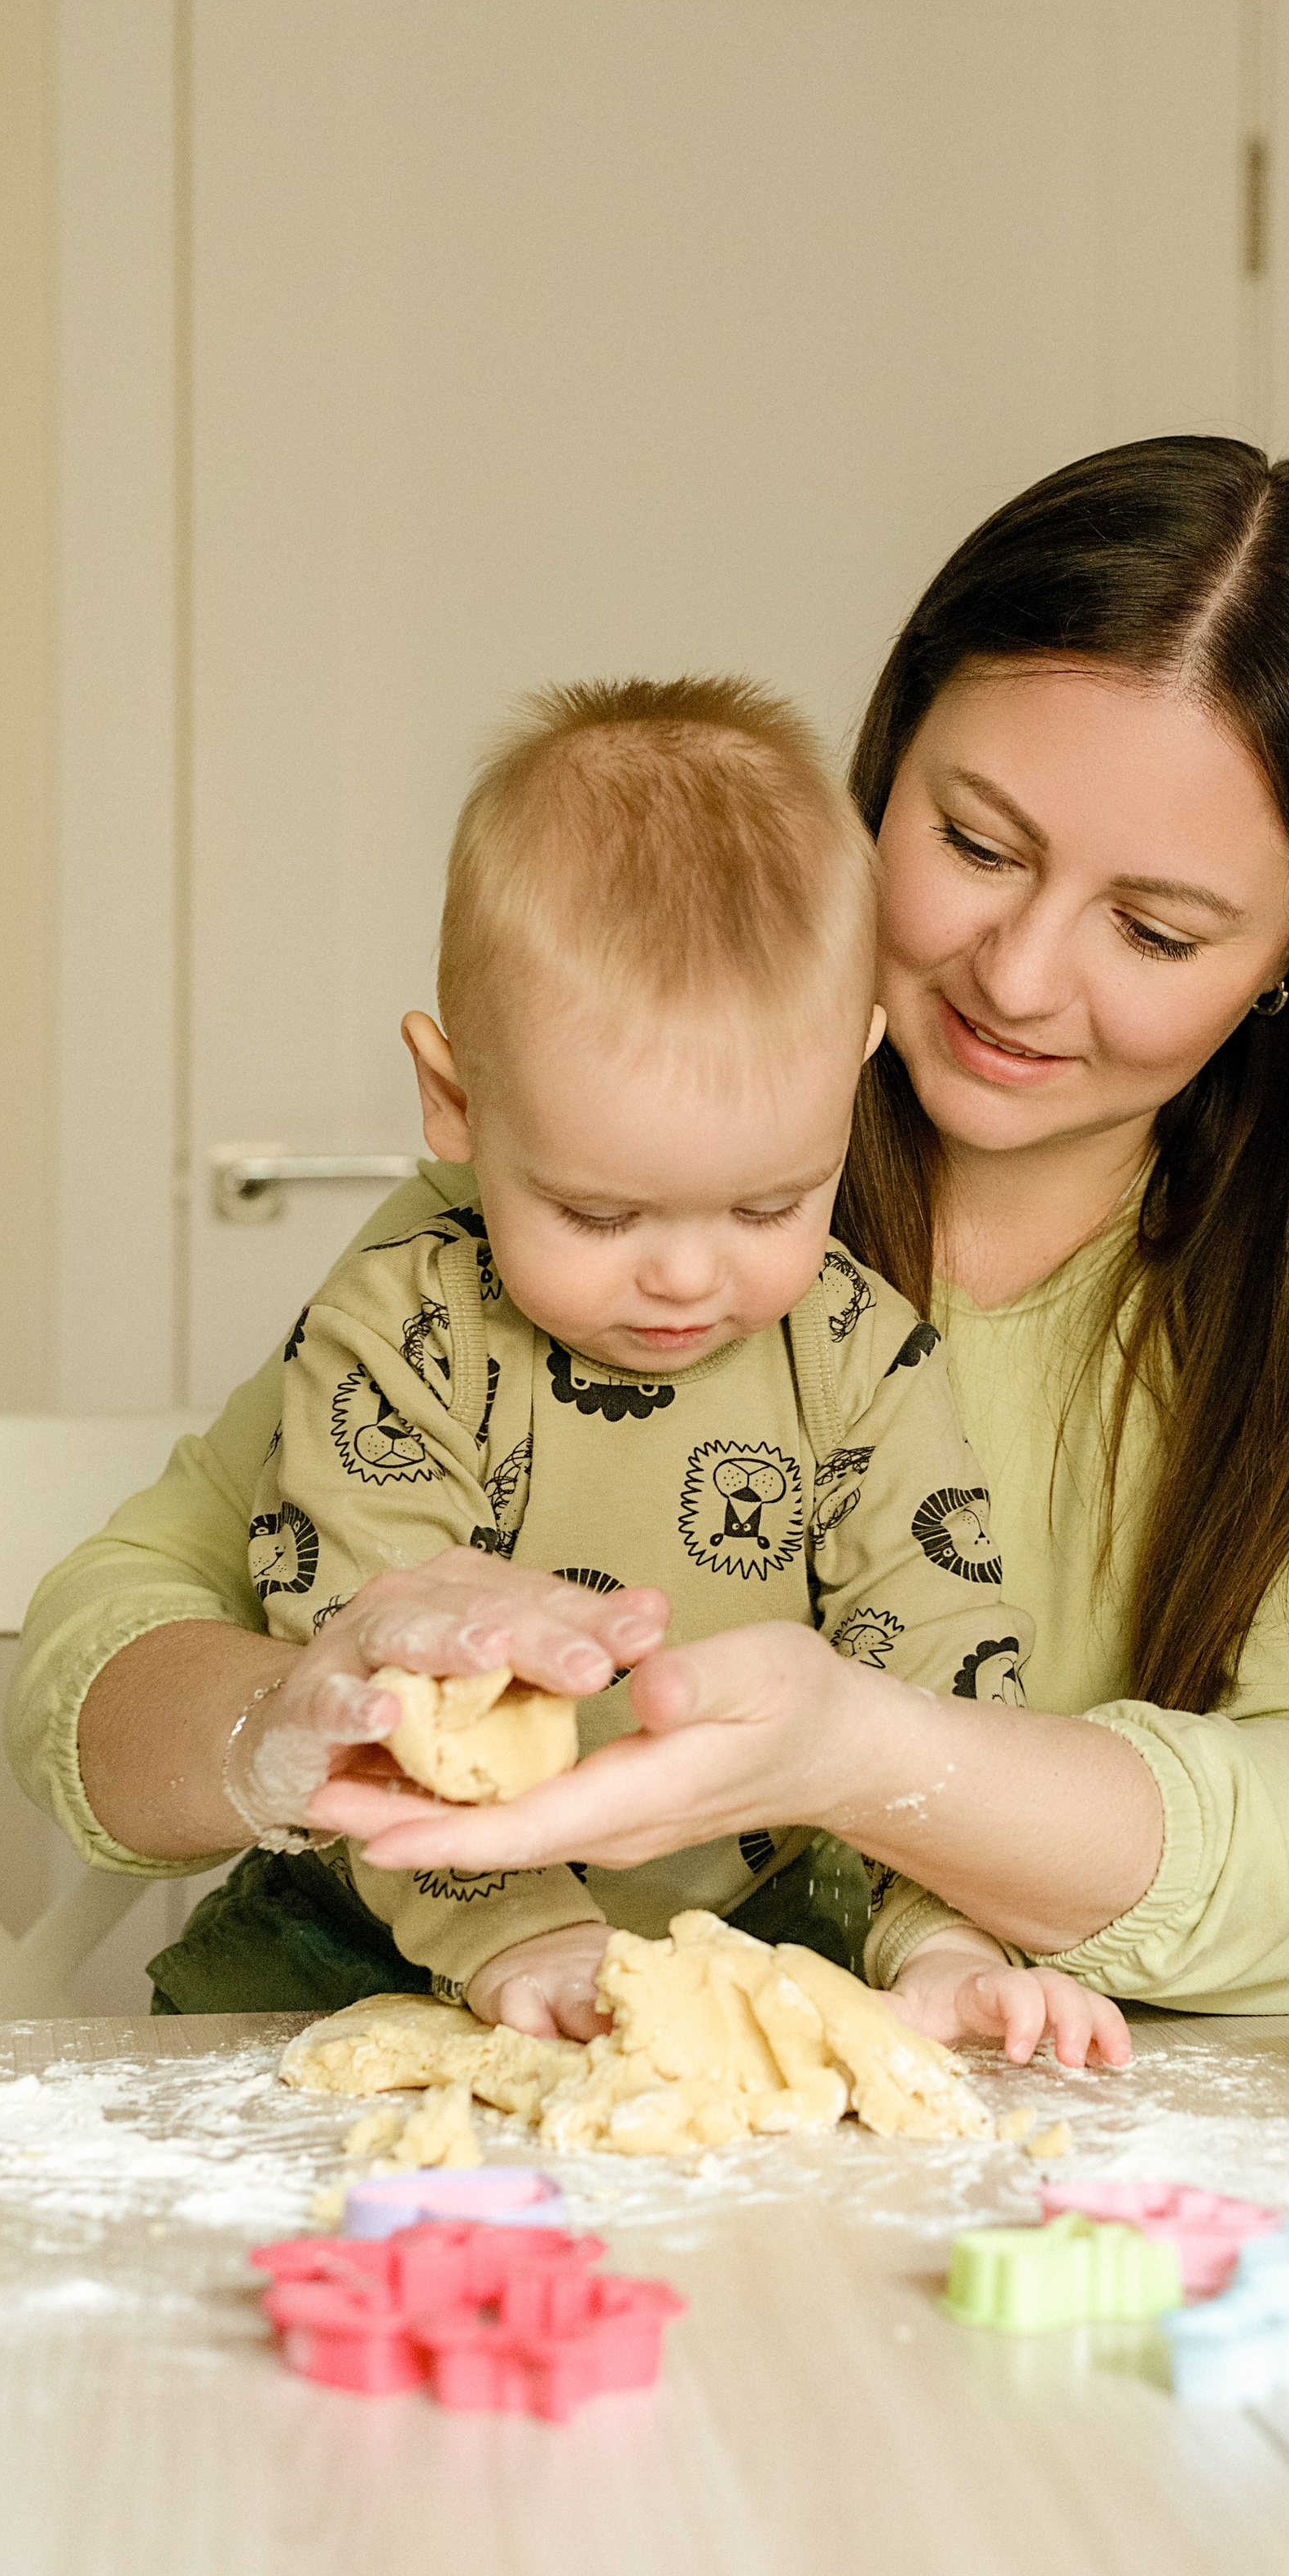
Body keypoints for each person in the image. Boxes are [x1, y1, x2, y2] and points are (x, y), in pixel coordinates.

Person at [10, 439, 1289, 2026]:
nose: (1016, 975)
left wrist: (876, 1766)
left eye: (1154, 928)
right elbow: (114, 1635)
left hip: (1154, 2123)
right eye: (972, 843)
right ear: (885, 768)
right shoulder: (613, 1139)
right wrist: (295, 1717)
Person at [154, 671, 1122, 2066]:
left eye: (770, 1205)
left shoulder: (853, 1352)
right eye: (601, 1216)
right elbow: (378, 1694)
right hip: (351, 1944)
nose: (686, 1276)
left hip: (763, 1938)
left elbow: (932, 1671)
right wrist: (522, 1941)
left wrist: (947, 1943)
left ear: (853, 1075)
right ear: (456, 1102)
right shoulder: (399, 1343)